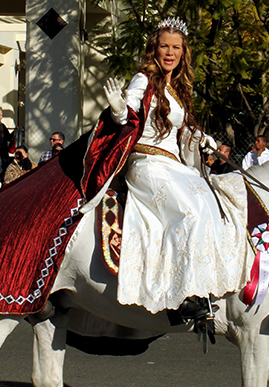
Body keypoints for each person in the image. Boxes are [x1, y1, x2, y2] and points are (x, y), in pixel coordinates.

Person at [102, 17, 249, 319]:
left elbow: (182, 132)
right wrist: (118, 109)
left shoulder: (179, 87)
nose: (170, 53)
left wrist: (202, 139)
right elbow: (128, 113)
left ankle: (204, 285)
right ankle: (182, 295)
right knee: (189, 213)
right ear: (154, 49)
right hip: (146, 164)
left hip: (176, 166)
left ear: (184, 52)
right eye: (164, 47)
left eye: (176, 48)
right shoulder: (143, 79)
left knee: (212, 205)